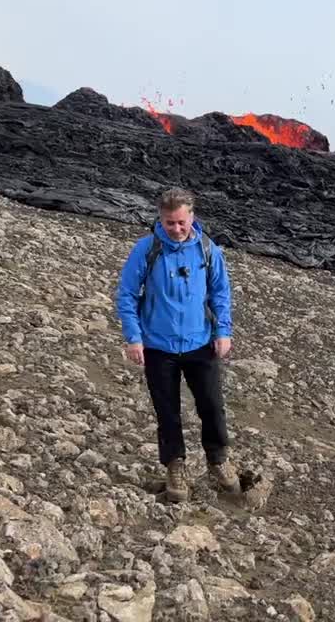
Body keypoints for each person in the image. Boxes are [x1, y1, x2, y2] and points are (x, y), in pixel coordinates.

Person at [114, 187, 239, 502]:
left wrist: (223, 331)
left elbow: (220, 293)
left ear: (192, 217)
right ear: (161, 219)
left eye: (181, 222)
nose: (177, 229)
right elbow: (127, 294)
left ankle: (218, 460)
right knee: (167, 412)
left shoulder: (208, 251)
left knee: (211, 406)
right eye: (170, 223)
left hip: (200, 343)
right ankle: (175, 466)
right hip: (158, 346)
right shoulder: (146, 250)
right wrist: (134, 337)